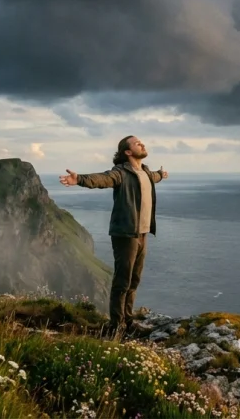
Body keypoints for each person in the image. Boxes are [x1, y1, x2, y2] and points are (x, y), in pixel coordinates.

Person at [59, 135, 169, 339]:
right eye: (137, 143)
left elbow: (153, 177)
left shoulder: (144, 171)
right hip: (125, 234)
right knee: (122, 282)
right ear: (127, 152)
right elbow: (102, 179)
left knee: (134, 280)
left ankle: (128, 322)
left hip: (142, 233)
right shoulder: (120, 173)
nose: (142, 144)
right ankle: (116, 326)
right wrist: (80, 179)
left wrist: (161, 174)